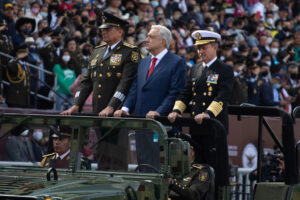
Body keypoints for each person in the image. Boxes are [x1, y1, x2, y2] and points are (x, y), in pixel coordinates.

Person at [114, 25, 186, 171]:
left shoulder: (176, 62)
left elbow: (174, 93)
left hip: (161, 125)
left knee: (160, 168)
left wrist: (158, 111)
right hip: (141, 124)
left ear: (163, 41)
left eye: (151, 37)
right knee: (144, 165)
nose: (146, 40)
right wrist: (125, 108)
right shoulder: (143, 62)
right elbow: (135, 89)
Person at [168, 30, 234, 168]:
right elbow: (186, 93)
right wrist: (176, 110)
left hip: (214, 127)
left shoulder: (224, 69)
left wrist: (208, 114)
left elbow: (222, 96)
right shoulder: (195, 69)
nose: (200, 51)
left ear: (214, 47)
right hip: (196, 127)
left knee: (213, 167)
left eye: (204, 48)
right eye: (198, 48)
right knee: (198, 168)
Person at [62, 12, 140, 116]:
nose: (103, 32)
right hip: (98, 109)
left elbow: (125, 83)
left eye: (108, 30)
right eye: (103, 29)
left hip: (118, 111)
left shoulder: (129, 51)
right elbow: (86, 81)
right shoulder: (97, 51)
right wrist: (77, 104)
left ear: (120, 31)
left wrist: (111, 106)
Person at [169, 134, 215, 200]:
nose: (175, 152)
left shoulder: (202, 171)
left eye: (179, 149)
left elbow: (195, 195)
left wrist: (173, 184)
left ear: (191, 153)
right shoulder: (170, 169)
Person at [5, 44, 31, 108]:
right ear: (18, 53)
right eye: (24, 53)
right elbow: (10, 66)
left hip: (23, 99)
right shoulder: (15, 64)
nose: (26, 55)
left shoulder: (25, 65)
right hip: (15, 98)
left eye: (26, 53)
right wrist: (17, 57)